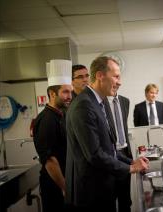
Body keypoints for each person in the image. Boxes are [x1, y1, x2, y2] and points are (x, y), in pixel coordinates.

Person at [65, 56, 149, 211]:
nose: (119, 82)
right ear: (99, 75)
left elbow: (108, 147)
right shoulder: (84, 105)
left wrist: (131, 161)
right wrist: (130, 169)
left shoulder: (99, 102)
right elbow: (95, 154)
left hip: (102, 187)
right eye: (116, 76)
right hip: (91, 193)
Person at [33, 59, 72, 212]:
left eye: (70, 91)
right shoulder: (47, 120)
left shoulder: (60, 114)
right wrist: (64, 187)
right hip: (55, 185)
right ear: (52, 93)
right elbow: (50, 161)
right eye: (65, 92)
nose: (70, 96)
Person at [105, 88, 132, 212]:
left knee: (125, 198)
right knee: (109, 196)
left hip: (125, 152)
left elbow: (123, 126)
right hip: (109, 153)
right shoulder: (100, 102)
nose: (117, 82)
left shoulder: (125, 101)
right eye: (114, 77)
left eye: (118, 77)